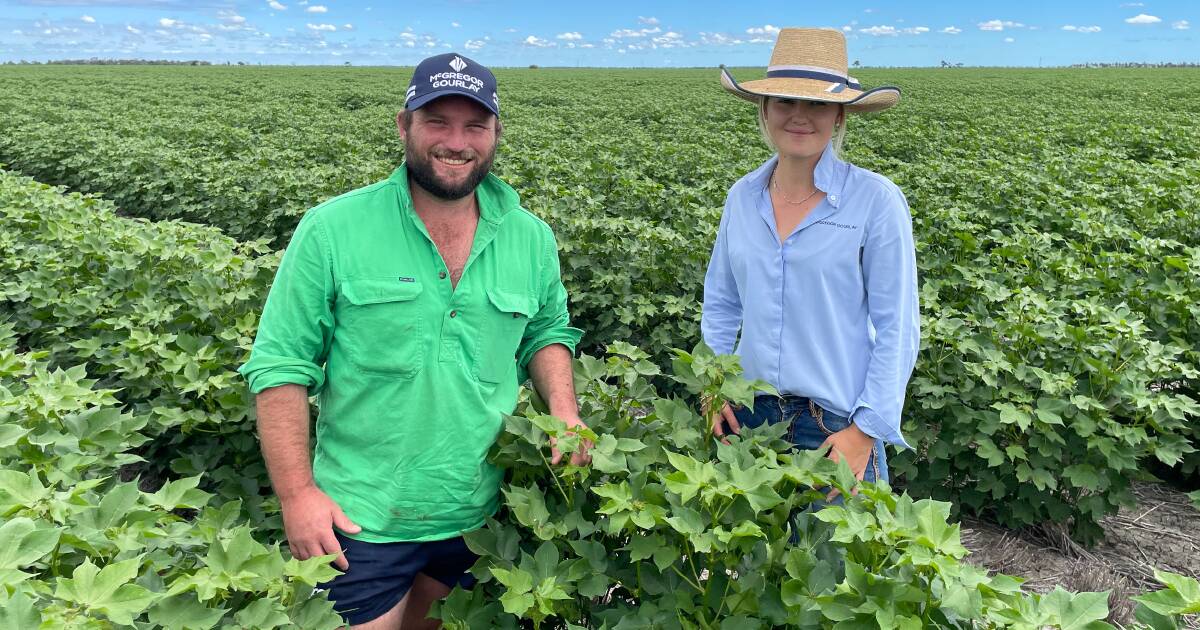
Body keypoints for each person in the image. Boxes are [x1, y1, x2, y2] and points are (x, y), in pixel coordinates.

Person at [239, 52, 590, 629]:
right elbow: (282, 365)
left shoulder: (531, 236)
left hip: (481, 518)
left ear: (496, 133)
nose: (457, 141)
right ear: (404, 126)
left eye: (475, 125)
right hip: (361, 519)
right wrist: (297, 495)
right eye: (437, 122)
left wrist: (566, 411)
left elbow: (545, 332)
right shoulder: (333, 228)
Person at [702, 28, 919, 492]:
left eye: (818, 104)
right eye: (784, 101)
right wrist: (714, 382)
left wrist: (865, 432)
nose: (800, 115)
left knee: (835, 563)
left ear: (840, 116)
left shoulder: (875, 202)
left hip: (836, 427)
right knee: (751, 562)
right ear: (763, 110)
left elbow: (897, 327)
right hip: (747, 418)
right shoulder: (742, 197)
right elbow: (720, 301)